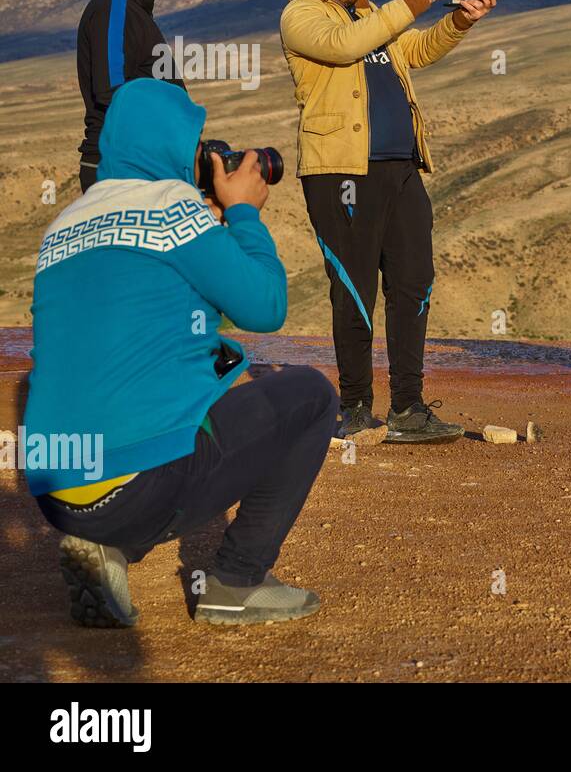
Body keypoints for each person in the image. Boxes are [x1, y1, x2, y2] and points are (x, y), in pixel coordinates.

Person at [25, 78, 338, 626]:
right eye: (197, 147)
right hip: (137, 484)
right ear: (172, 146)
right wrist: (243, 215)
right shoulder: (171, 210)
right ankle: (236, 582)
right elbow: (265, 307)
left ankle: (105, 545)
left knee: (184, 387)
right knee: (309, 395)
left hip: (59, 491)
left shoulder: (63, 226)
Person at [280, 0, 495, 444]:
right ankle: (354, 407)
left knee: (413, 282)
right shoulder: (301, 17)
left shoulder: (367, 11)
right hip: (341, 172)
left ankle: (408, 407)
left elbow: (414, 51)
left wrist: (457, 21)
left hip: (401, 166)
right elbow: (346, 46)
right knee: (354, 290)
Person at [75, 0, 181, 193]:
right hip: (121, 168)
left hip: (141, 165)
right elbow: (113, 92)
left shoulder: (129, 10)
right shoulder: (113, 9)